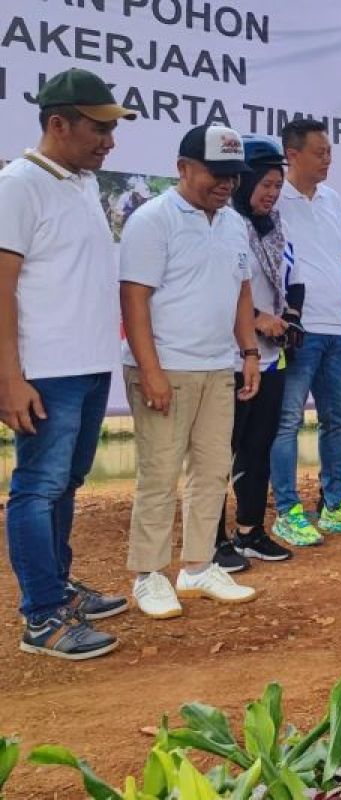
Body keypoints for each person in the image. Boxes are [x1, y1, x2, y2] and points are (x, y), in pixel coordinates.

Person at [0, 68, 133, 660]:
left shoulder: (79, 183)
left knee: (66, 485)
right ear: (58, 124)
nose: (109, 141)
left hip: (86, 365)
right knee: (37, 488)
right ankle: (42, 618)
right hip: (45, 369)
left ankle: (58, 588)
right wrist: (9, 377)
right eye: (98, 128)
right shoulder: (18, 185)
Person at [120, 124, 261, 618]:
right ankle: (149, 575)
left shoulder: (233, 223)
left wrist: (248, 352)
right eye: (216, 173)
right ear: (183, 168)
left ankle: (198, 566)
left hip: (217, 366)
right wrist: (150, 370)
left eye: (234, 176)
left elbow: (243, 292)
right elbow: (134, 300)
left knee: (212, 470)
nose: (226, 184)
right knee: (158, 474)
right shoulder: (153, 219)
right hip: (165, 367)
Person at [271, 119, 341, 546]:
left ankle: (337, 505)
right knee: (287, 422)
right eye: (320, 153)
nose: (328, 160)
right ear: (292, 154)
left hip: (337, 328)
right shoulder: (275, 197)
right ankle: (287, 510)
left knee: (339, 420)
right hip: (298, 330)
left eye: (330, 152)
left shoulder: (333, 199)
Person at [210, 135, 302, 573]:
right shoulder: (223, 223)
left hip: (268, 357)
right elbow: (219, 288)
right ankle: (211, 540)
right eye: (264, 184)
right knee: (218, 452)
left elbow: (286, 276)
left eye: (277, 186)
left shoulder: (274, 225)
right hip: (226, 356)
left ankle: (250, 531)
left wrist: (287, 316)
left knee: (258, 446)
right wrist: (259, 317)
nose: (270, 193)